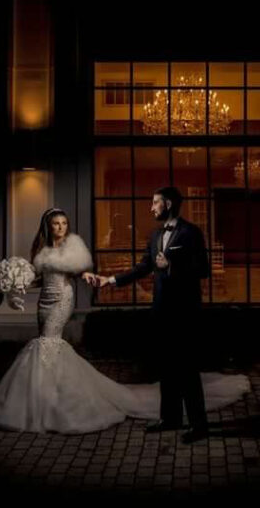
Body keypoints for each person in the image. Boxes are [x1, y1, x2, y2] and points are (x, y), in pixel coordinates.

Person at [0, 206, 248, 438]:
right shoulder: (41, 249)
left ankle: (59, 402)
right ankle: (46, 397)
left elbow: (78, 269)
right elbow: (40, 278)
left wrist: (91, 276)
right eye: (56, 223)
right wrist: (15, 283)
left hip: (63, 300)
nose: (61, 227)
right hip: (44, 301)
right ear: (47, 226)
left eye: (64, 223)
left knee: (49, 343)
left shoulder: (71, 246)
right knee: (44, 344)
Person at [89, 186, 213, 444]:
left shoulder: (191, 232)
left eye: (155, 202)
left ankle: (199, 425)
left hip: (185, 314)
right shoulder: (156, 234)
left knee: (187, 370)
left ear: (167, 203)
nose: (151, 207)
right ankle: (171, 419)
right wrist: (109, 280)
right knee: (167, 367)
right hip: (162, 313)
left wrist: (172, 266)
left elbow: (203, 269)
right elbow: (143, 267)